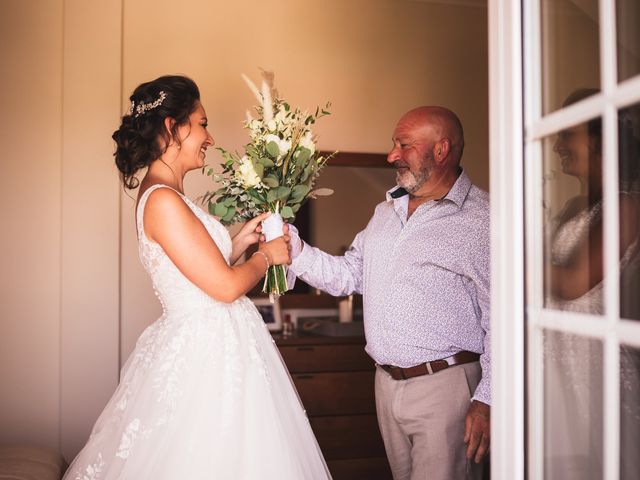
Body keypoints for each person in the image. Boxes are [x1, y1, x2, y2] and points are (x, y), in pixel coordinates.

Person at [63, 75, 331, 480]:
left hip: (217, 344)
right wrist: (266, 256)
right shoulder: (164, 200)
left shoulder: (169, 195)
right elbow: (224, 287)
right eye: (202, 123)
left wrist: (239, 241)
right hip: (206, 356)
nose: (208, 136)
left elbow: (197, 268)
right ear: (173, 126)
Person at [289, 106, 490, 480]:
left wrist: (488, 398)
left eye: (404, 145)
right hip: (386, 386)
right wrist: (293, 249)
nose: (392, 155)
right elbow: (350, 275)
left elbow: (503, 318)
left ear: (441, 150)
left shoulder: (483, 220)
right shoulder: (385, 211)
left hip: (445, 390)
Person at [544, 89, 640, 480]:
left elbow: (571, 283)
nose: (556, 146)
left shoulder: (625, 207)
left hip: (588, 359)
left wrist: (512, 257)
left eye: (567, 134)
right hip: (550, 352)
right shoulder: (571, 207)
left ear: (599, 140)